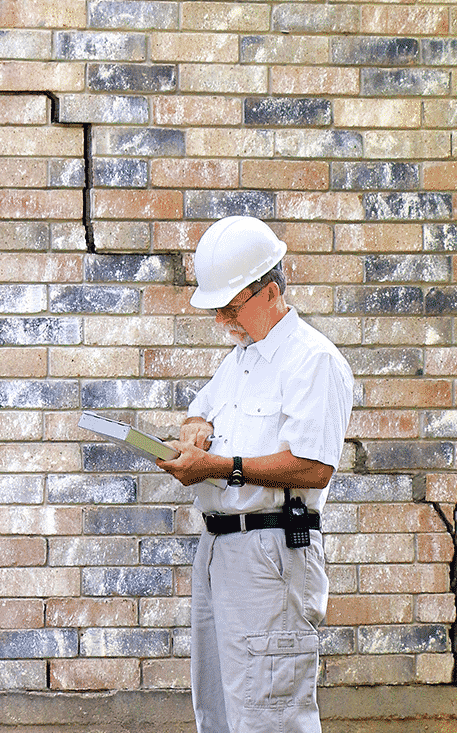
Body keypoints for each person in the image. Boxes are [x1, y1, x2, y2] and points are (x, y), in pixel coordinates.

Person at [157, 215, 355, 733]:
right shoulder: (241, 360)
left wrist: (221, 467)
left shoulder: (312, 360)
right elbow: (201, 413)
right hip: (220, 548)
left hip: (272, 551)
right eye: (217, 310)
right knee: (220, 713)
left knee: (270, 713)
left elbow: (313, 466)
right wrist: (196, 427)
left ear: (269, 291)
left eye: (231, 306)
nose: (223, 319)